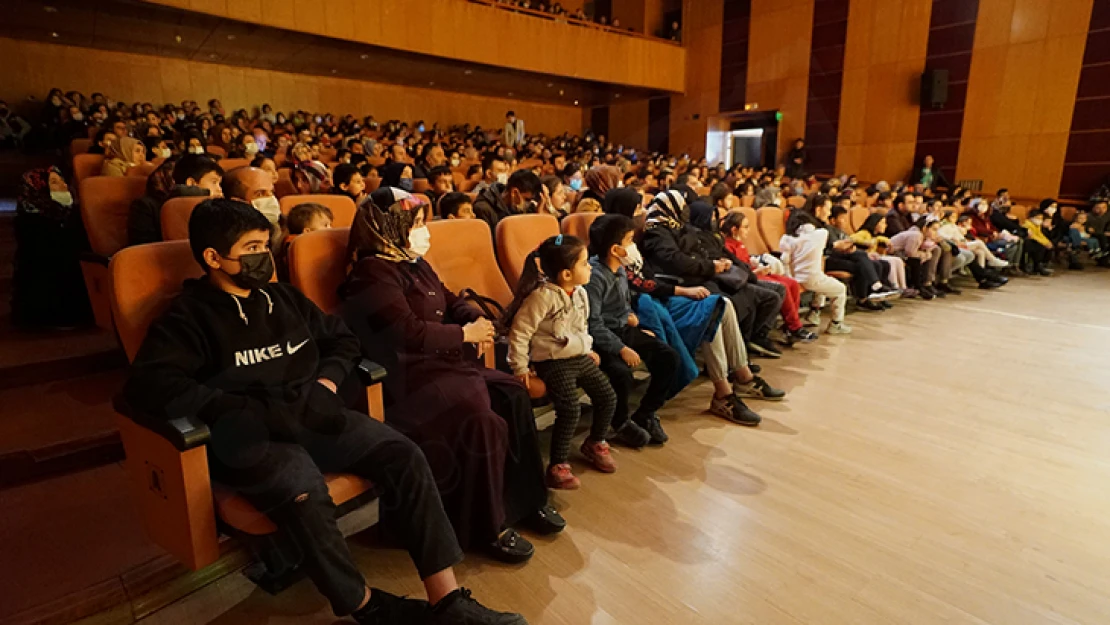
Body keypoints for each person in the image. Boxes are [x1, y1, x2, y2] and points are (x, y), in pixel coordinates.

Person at [122, 199, 525, 625]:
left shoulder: (282, 298)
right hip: (255, 434)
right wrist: (238, 410)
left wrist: (327, 383)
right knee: (302, 489)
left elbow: (343, 341)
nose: (264, 257)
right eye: (253, 247)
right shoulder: (187, 317)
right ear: (213, 258)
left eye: (265, 245)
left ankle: (447, 599)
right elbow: (153, 385)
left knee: (403, 454)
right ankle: (364, 604)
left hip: (315, 412)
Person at [340, 189, 559, 563]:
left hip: (442, 365)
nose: (424, 231)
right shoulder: (372, 272)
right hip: (404, 378)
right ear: (389, 228)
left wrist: (472, 316)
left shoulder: (413, 263)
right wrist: (464, 335)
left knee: (512, 394)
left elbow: (449, 297)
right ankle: (485, 527)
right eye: (417, 224)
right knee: (481, 420)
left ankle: (525, 504)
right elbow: (404, 331)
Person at [505, 234, 618, 489]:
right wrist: (520, 368)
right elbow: (520, 332)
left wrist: (588, 348)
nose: (590, 267)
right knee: (569, 408)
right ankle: (558, 465)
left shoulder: (580, 294)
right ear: (566, 273)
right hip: (553, 361)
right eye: (584, 263)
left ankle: (595, 442)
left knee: (607, 396)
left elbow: (581, 326)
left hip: (578, 356)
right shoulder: (542, 297)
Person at [585, 215, 680, 448]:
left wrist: (630, 318)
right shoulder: (595, 277)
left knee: (669, 357)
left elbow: (622, 303)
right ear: (616, 249)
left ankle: (645, 413)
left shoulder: (619, 270)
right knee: (621, 373)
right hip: (603, 339)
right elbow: (593, 323)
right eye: (629, 240)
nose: (633, 245)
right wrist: (623, 348)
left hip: (621, 330)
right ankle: (620, 422)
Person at [10, 166, 94, 329]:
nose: (63, 186)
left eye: (63, 181)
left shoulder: (73, 213)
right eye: (54, 183)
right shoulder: (30, 221)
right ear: (39, 189)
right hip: (44, 287)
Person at [720, 211, 817, 342]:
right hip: (749, 277)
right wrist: (757, 271)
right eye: (745, 226)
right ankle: (795, 327)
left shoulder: (740, 243)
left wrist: (759, 266)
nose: (748, 230)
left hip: (755, 272)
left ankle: (789, 326)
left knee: (792, 283)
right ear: (734, 229)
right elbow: (736, 273)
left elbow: (746, 263)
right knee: (782, 287)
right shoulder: (727, 246)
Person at [779, 210, 852, 335]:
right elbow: (828, 236)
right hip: (813, 278)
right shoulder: (821, 234)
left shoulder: (786, 239)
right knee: (840, 290)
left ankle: (814, 313)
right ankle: (836, 324)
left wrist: (790, 279)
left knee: (822, 287)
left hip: (794, 278)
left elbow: (785, 260)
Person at [128, 154, 223, 245]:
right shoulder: (146, 206)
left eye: (219, 184)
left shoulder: (217, 207)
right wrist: (206, 193)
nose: (219, 189)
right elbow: (145, 249)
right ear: (191, 183)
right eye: (214, 182)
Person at [471, 169, 547, 231]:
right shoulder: (483, 208)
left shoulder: (529, 208)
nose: (529, 203)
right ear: (514, 193)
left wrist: (539, 214)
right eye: (526, 199)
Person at [275, 202, 333, 281]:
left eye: (330, 225)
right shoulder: (293, 248)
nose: (331, 229)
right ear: (307, 231)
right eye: (325, 225)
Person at [1020, 209, 1055, 276]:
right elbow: (1032, 236)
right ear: (1031, 218)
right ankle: (1034, 266)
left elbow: (1039, 234)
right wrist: (1043, 242)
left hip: (1035, 241)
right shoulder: (1027, 225)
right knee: (1039, 246)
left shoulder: (1037, 226)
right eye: (1038, 218)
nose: (1040, 220)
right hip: (1027, 241)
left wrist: (1047, 242)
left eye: (1041, 218)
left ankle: (1039, 265)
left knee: (1046, 246)